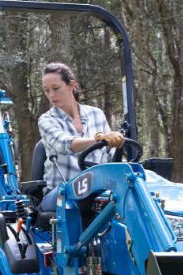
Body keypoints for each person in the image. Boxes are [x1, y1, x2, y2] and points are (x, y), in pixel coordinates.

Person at [37, 62, 125, 211]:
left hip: (97, 191)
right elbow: (64, 144)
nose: (51, 95)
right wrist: (99, 139)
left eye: (56, 88)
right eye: (47, 90)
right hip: (62, 193)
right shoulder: (47, 120)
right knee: (72, 207)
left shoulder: (96, 114)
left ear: (72, 85)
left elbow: (109, 156)